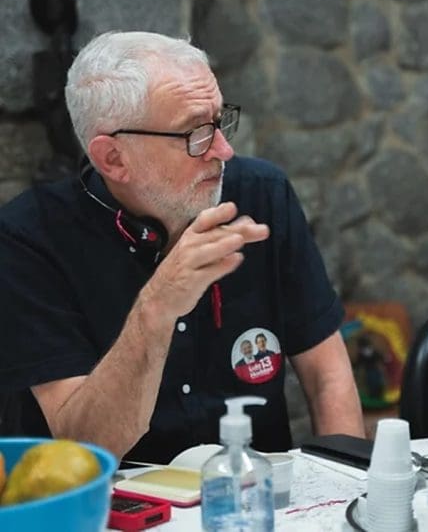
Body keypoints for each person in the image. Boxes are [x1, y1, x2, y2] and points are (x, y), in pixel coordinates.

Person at [0, 31, 364, 462]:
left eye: (219, 120)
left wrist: (351, 485)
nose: (224, 151)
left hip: (253, 493)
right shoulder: (30, 237)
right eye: (194, 133)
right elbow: (82, 449)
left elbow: (327, 373)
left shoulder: (262, 194)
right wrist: (156, 306)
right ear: (113, 158)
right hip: (118, 508)